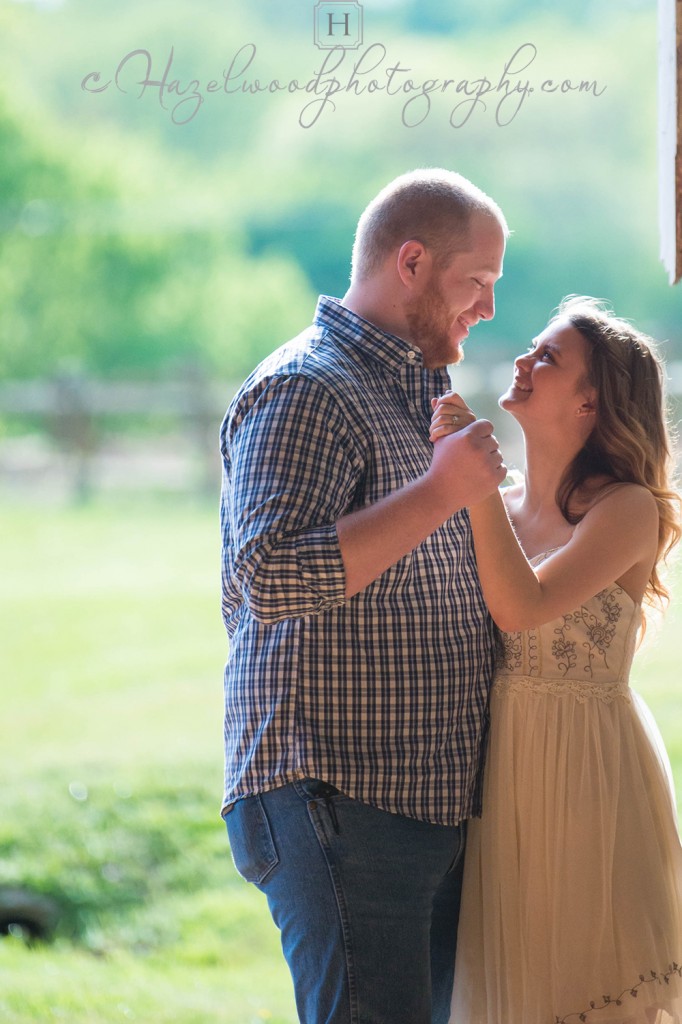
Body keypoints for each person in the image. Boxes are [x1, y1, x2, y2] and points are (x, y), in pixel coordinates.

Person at [218, 168, 508, 1024]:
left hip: (420, 795)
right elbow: (262, 577)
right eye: (477, 283)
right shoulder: (308, 386)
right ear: (411, 261)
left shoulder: (416, 392)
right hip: (340, 794)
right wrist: (440, 493)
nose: (487, 308)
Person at [430, 296, 682, 1024]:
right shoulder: (498, 506)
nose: (522, 361)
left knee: (586, 990)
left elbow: (523, 606)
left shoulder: (630, 509)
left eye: (547, 357)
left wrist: (468, 486)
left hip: (591, 774)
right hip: (500, 772)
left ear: (590, 402)